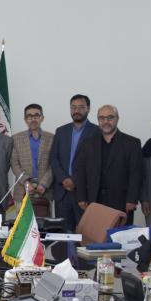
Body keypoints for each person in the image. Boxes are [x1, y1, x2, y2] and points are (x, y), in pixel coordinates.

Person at [74, 105, 142, 224]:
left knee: (119, 234)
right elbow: (80, 172)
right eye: (102, 118)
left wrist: (132, 199)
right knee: (95, 233)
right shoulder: (88, 144)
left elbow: (136, 174)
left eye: (110, 117)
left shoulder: (132, 143)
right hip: (94, 200)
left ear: (117, 118)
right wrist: (81, 197)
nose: (106, 121)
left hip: (121, 202)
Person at [50, 94, 99, 231]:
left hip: (84, 192)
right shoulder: (61, 131)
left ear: (88, 109)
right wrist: (64, 178)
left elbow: (94, 164)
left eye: (81, 107)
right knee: (62, 234)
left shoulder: (97, 132)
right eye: (73, 107)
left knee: (85, 233)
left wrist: (74, 180)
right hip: (62, 192)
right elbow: (54, 158)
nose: (76, 110)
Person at [10, 104, 54, 208]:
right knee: (22, 219)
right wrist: (25, 182)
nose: (33, 119)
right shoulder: (16, 138)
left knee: (44, 218)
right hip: (22, 189)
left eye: (36, 115)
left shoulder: (52, 138)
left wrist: (44, 183)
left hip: (45, 190)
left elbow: (54, 164)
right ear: (25, 119)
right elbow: (14, 164)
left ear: (42, 118)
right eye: (29, 116)